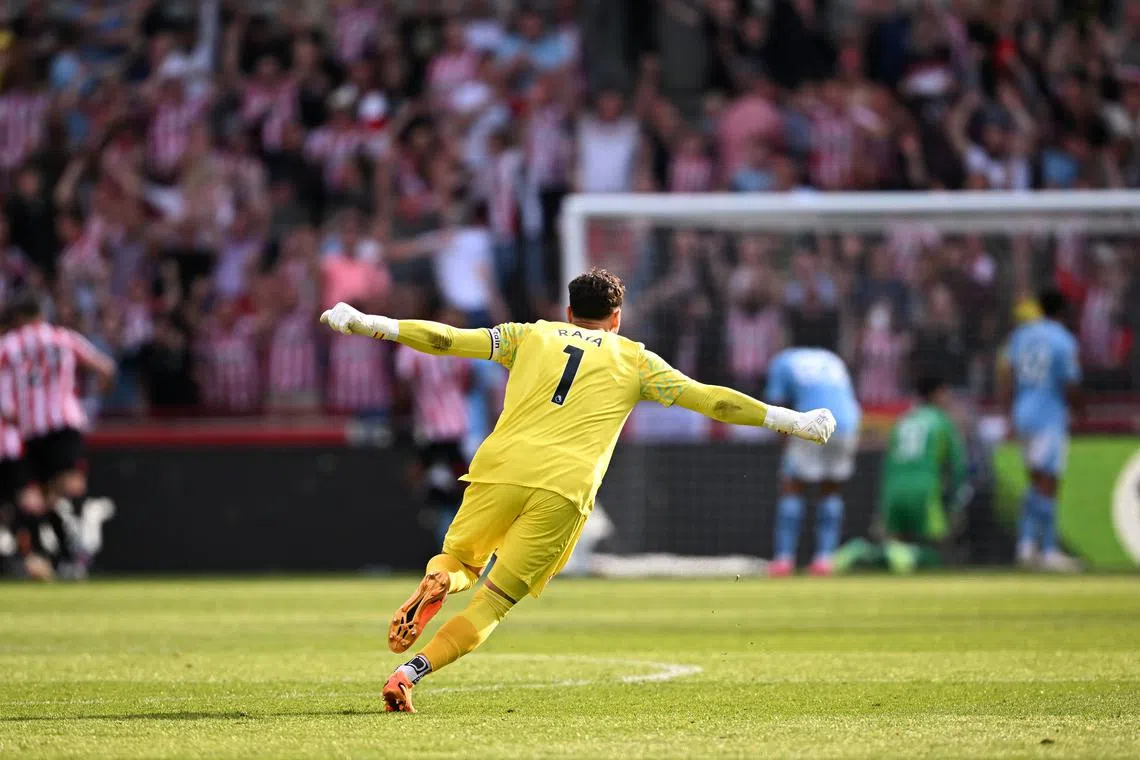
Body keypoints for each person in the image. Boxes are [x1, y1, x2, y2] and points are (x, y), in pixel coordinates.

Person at [320, 268, 837, 713]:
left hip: (499, 469)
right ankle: (410, 673)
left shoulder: (530, 335)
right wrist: (790, 420)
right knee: (494, 603)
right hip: (564, 489)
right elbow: (711, 402)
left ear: (568, 311)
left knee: (457, 562)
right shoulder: (635, 359)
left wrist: (372, 323)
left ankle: (438, 582)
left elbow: (449, 340)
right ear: (617, 317)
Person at [0, 294, 117, 577]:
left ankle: (57, 555)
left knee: (39, 496)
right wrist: (94, 396)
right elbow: (106, 368)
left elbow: (5, 406)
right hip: (65, 422)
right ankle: (73, 555)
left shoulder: (8, 346)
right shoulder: (63, 338)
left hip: (30, 430)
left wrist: (19, 415)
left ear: (16, 320)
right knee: (69, 486)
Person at [832, 376, 969, 574]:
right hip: (925, 489)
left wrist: (883, 500)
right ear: (937, 393)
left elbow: (888, 461)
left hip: (893, 489)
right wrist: (955, 501)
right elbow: (957, 465)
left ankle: (864, 553)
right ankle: (869, 555)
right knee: (936, 548)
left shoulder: (903, 420)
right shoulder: (942, 421)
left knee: (897, 547)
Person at [998, 289, 1082, 572]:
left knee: (1035, 481)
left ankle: (1027, 546)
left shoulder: (1022, 336)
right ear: (1062, 311)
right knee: (1048, 484)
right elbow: (1070, 382)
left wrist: (1009, 413)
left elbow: (1006, 373)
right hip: (1048, 415)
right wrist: (1080, 409)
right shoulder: (1063, 340)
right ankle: (1045, 549)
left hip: (1023, 412)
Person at [764, 345, 862, 576]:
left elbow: (777, 405)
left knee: (792, 487)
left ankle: (784, 560)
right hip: (847, 422)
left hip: (811, 420)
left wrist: (783, 445)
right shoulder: (832, 357)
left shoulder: (782, 360)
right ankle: (824, 559)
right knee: (830, 490)